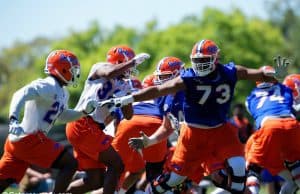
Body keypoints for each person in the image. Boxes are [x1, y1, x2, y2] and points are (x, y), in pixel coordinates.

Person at [105, 39, 288, 193]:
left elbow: (250, 73)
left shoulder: (219, 74)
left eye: (167, 76)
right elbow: (165, 118)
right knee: (175, 180)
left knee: (236, 169)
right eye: (197, 60)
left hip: (217, 131)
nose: (200, 65)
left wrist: (272, 76)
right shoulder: (177, 88)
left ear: (215, 59)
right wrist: (149, 138)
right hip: (191, 137)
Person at [0, 50, 96, 193]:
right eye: (73, 70)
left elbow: (62, 115)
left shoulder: (62, 92)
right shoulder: (48, 85)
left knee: (5, 180)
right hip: (30, 139)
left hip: (18, 142)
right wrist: (13, 118)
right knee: (70, 164)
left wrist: (83, 112)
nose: (75, 73)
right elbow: (20, 94)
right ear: (62, 69)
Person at [65, 45, 150, 194]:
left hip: (91, 127)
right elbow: (110, 72)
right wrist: (132, 63)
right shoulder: (100, 67)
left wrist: (125, 99)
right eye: (129, 63)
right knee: (117, 164)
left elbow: (129, 115)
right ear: (118, 62)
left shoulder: (125, 85)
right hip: (83, 122)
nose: (132, 68)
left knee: (94, 180)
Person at [112, 57, 185, 193]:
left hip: (128, 125)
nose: (161, 82)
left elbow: (116, 122)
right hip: (158, 126)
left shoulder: (133, 95)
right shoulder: (165, 96)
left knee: (114, 169)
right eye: (160, 78)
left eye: (166, 77)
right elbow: (167, 126)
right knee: (157, 177)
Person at [244, 65, 300, 194]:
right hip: (291, 126)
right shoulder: (285, 90)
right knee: (295, 168)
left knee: (253, 170)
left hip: (269, 130)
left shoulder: (251, 97)